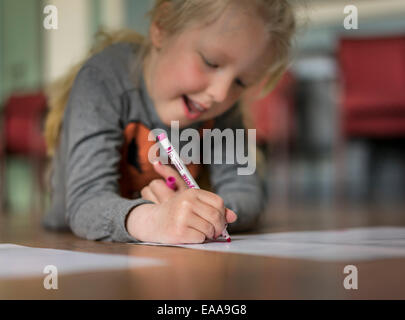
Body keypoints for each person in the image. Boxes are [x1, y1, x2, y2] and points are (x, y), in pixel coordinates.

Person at [43, 0, 296, 244]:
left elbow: (247, 193)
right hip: (74, 242)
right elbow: (86, 202)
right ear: (162, 26)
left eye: (241, 82)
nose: (220, 94)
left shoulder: (222, 107)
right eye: (211, 62)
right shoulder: (101, 79)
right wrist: (155, 219)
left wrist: (196, 211)